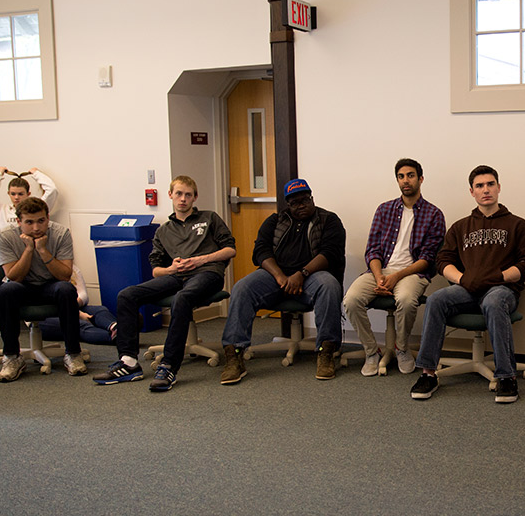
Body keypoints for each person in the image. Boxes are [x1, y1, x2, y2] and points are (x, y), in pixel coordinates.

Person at [93, 176, 236, 392]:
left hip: (207, 273)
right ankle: (129, 362)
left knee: (183, 297)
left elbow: (230, 250)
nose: (183, 199)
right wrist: (171, 269)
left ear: (195, 197)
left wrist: (200, 259)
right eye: (178, 194)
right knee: (127, 295)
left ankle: (168, 365)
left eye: (188, 195)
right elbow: (156, 269)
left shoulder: (209, 218)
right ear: (170, 195)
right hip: (176, 275)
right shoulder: (163, 230)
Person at [409, 165, 525, 404]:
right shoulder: (460, 227)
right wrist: (462, 279)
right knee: (437, 299)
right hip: (466, 289)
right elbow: (443, 261)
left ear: (498, 188)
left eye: (490, 184)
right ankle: (427, 373)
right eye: (479, 186)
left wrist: (499, 277)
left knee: (493, 300)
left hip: (502, 289)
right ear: (472, 191)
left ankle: (507, 377)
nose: (485, 190)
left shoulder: (517, 225)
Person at [220, 178, 345, 383]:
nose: (301, 205)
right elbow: (260, 251)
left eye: (305, 199)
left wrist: (301, 274)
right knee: (242, 288)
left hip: (312, 276)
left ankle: (326, 352)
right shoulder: (275, 220)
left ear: (312, 198)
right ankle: (234, 355)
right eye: (295, 202)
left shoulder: (329, 220)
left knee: (329, 286)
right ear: (288, 204)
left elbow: (330, 254)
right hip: (276, 276)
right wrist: (280, 276)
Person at [343, 158, 446, 376]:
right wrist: (380, 276)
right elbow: (372, 250)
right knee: (351, 300)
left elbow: (428, 258)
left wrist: (396, 277)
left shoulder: (434, 214)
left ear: (420, 179)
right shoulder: (384, 210)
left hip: (412, 272)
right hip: (380, 270)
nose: (405, 180)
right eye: (401, 176)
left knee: (407, 301)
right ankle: (371, 351)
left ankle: (401, 348)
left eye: (410, 175)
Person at [0, 197, 88, 382]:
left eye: (41, 221)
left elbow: (64, 275)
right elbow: (14, 276)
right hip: (22, 286)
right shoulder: (4, 235)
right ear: (19, 221)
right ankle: (12, 357)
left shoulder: (61, 233)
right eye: (29, 222)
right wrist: (29, 250)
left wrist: (43, 251)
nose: (36, 228)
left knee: (66, 289)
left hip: (50, 285)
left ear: (48, 218)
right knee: (6, 290)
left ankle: (73, 354)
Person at [0, 166, 58, 318]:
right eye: (13, 194)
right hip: (6, 253)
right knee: (0, 273)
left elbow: (52, 190)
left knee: (9, 281)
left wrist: (35, 174)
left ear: (28, 194)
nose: (16, 197)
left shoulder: (37, 209)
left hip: (30, 252)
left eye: (21, 194)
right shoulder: (2, 209)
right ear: (8, 194)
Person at [39, 266, 118, 345]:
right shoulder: (37, 272)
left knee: (100, 310)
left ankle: (115, 327)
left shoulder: (70, 268)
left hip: (75, 306)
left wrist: (73, 307)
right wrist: (77, 313)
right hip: (45, 315)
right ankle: (119, 339)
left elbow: (83, 295)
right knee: (77, 324)